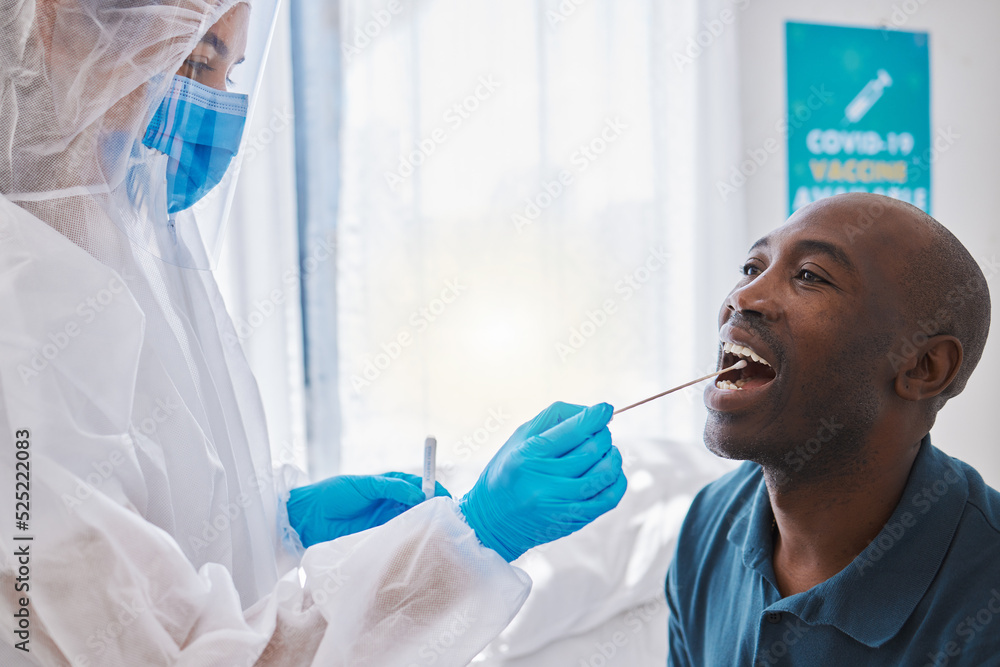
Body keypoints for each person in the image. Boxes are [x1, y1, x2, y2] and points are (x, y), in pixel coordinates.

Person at [0, 1, 626, 664]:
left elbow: (129, 533)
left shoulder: (102, 261)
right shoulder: (23, 317)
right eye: (198, 59)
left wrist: (276, 523)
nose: (218, 106)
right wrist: (467, 545)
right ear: (52, 25)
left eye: (231, 70)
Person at [666, 193, 999, 665]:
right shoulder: (709, 523)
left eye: (808, 276)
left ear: (924, 367)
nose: (743, 297)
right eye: (750, 268)